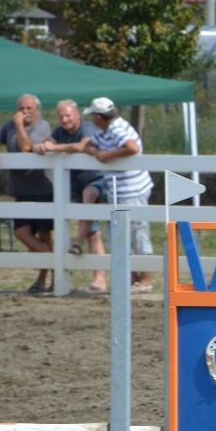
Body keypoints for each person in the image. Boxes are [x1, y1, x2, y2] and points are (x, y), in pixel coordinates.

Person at [79, 96, 154, 293]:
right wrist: (98, 152)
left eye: (93, 116)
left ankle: (144, 279)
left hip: (132, 189)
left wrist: (107, 155)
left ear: (98, 116)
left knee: (137, 232)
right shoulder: (107, 130)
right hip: (121, 189)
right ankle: (132, 279)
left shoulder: (116, 129)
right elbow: (87, 145)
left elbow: (132, 147)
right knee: (124, 233)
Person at [0, 93, 54, 293]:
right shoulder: (8, 125)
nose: (25, 112)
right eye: (22, 108)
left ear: (37, 110)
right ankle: (55, 264)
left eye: (29, 108)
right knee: (22, 233)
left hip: (43, 189)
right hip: (21, 190)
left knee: (44, 233)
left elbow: (26, 147)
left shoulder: (42, 126)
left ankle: (44, 278)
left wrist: (19, 125)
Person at [35, 99, 108, 293]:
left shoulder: (87, 128)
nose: (64, 119)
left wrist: (53, 148)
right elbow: (46, 143)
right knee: (93, 233)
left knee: (90, 198)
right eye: (61, 116)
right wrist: (42, 146)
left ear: (76, 115)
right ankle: (99, 279)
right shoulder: (60, 132)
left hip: (99, 180)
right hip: (76, 185)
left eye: (68, 115)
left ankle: (77, 243)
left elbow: (82, 146)